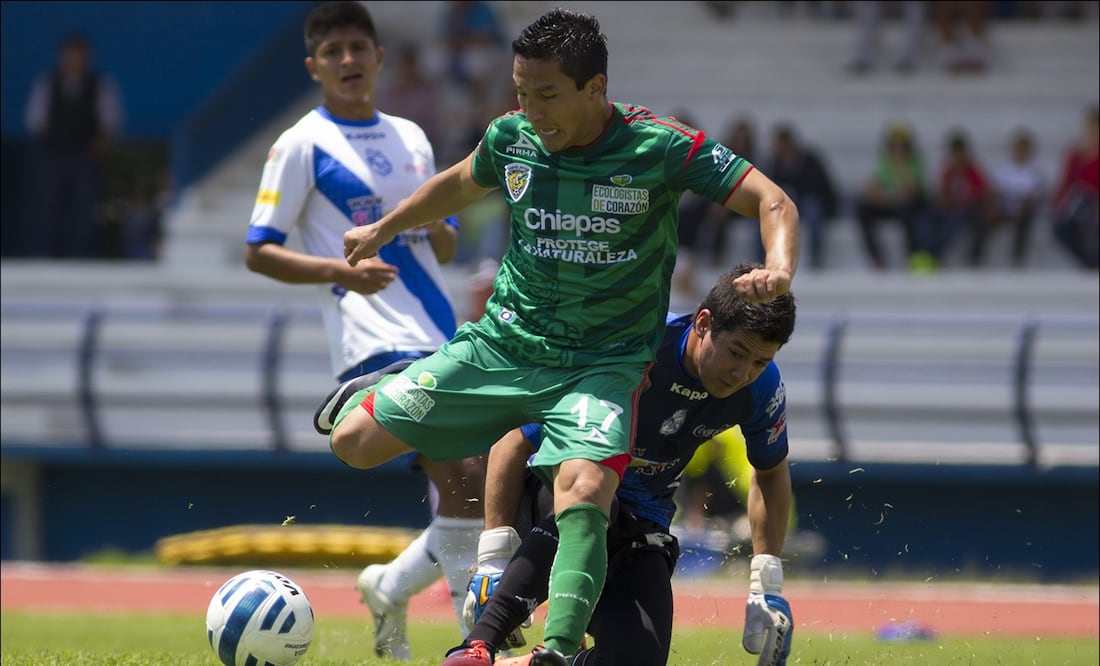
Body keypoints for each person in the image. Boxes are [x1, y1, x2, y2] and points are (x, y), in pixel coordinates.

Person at [322, 8, 800, 664]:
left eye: (546, 95)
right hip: (505, 345)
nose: (531, 109)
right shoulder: (511, 138)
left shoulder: (658, 147)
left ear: (595, 90)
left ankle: (553, 652)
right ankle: (386, 384)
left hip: (602, 366)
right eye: (521, 92)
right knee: (352, 444)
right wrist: (385, 227)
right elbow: (461, 182)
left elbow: (773, 200)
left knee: (583, 492)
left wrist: (778, 268)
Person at [243, 3, 486, 660]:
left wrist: (442, 230)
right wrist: (338, 271)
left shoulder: (411, 136)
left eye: (359, 48)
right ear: (314, 65)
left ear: (380, 58)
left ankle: (389, 585)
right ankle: (479, 642)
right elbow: (258, 248)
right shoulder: (300, 144)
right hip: (374, 343)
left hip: (442, 332)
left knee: (479, 484)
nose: (348, 60)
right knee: (466, 469)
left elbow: (444, 237)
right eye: (334, 51)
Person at [442, 264, 797, 666]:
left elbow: (770, 472)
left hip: (641, 524)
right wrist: (493, 556)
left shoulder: (761, 390)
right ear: (703, 323)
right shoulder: (633, 348)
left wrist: (766, 582)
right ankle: (476, 647)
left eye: (759, 363)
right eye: (736, 353)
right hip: (555, 491)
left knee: (638, 660)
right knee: (594, 494)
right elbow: (517, 440)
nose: (742, 374)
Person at [24, 32, 124, 259]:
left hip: (85, 156)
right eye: (70, 55)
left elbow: (110, 119)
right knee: (51, 208)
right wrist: (52, 142)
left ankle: (84, 257)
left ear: (87, 57)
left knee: (85, 209)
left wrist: (97, 145)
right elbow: (35, 119)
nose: (74, 60)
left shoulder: (100, 84)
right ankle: (50, 256)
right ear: (62, 57)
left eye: (79, 56)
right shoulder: (47, 82)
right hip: (55, 155)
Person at [854, 122, 937, 271]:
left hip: (910, 208)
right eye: (894, 145)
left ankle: (913, 256)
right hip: (891, 205)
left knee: (911, 212)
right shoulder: (884, 161)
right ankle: (877, 258)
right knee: (862, 209)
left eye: (902, 146)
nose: (898, 149)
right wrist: (889, 198)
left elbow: (911, 191)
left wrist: (900, 166)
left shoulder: (916, 161)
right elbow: (870, 190)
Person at [764, 123, 839, 271]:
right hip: (786, 205)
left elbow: (821, 187)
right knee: (765, 213)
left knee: (812, 210)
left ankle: (815, 258)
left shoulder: (810, 161)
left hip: (809, 202)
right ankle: (766, 258)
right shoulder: (774, 164)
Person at [967, 128, 1044, 268]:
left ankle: (1018, 260)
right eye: (1017, 148)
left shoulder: (1034, 171)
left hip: (1022, 211)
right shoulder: (1004, 168)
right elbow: (993, 191)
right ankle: (975, 259)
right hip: (1003, 209)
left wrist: (1019, 204)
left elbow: (1034, 197)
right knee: (981, 219)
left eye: (1023, 149)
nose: (1019, 152)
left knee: (1025, 220)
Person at [932, 129, 992, 266]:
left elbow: (981, 192)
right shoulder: (947, 171)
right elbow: (942, 194)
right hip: (952, 209)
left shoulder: (973, 170)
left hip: (970, 210)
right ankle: (934, 253)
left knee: (972, 220)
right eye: (955, 154)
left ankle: (974, 258)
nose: (958, 157)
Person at [1050, 105, 1099, 269]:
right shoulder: (1076, 152)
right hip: (1079, 202)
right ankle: (1090, 264)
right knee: (1060, 228)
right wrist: (1058, 204)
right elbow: (1066, 182)